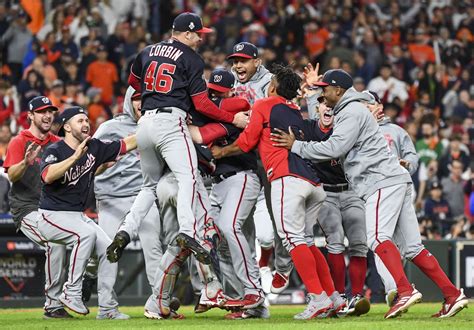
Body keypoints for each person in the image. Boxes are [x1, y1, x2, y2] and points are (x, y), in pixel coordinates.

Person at [270, 66, 468, 319]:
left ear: (338, 90)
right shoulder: (349, 108)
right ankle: (452, 294)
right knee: (412, 247)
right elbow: (323, 121)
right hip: (393, 180)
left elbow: (334, 147)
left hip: (380, 181)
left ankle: (404, 290)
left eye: (325, 90)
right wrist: (311, 95)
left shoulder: (350, 111)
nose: (322, 95)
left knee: (376, 238)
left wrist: (296, 145)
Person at [107, 13, 247, 319]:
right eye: (198, 34)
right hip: (172, 125)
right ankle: (207, 279)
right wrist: (232, 118)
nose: (201, 39)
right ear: (187, 33)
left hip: (146, 122)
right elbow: (202, 106)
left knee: (148, 186)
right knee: (192, 195)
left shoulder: (147, 51)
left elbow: (133, 85)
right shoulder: (193, 63)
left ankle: (126, 231)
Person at [212, 65, 345, 320]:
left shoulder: (265, 104)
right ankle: (334, 297)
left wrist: (222, 152)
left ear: (273, 86)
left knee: (292, 239)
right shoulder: (295, 110)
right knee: (305, 240)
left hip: (287, 178)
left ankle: (317, 299)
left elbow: (247, 142)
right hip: (314, 184)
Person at [36, 106, 136, 319]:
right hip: (51, 215)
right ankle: (71, 291)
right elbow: (47, 176)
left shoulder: (94, 147)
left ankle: (107, 308)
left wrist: (151, 130)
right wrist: (75, 158)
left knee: (110, 248)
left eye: (86, 120)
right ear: (67, 126)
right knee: (86, 234)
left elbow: (126, 144)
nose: (85, 123)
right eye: (79, 120)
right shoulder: (55, 150)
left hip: (76, 216)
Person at [228, 41, 293, 294]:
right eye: (235, 60)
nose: (237, 65)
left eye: (243, 60)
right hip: (241, 156)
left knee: (279, 215)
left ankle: (283, 266)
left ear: (257, 61)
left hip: (269, 155)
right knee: (238, 222)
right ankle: (250, 281)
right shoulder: (230, 82)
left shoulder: (272, 83)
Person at [91, 87, 162, 304]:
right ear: (129, 102)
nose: (141, 103)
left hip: (143, 195)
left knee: (154, 248)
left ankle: (160, 300)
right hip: (111, 196)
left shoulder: (159, 125)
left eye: (146, 98)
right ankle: (106, 305)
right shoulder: (110, 127)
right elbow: (90, 158)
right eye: (137, 98)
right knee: (108, 251)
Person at [304, 89, 370, 316]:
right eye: (321, 102)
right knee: (335, 240)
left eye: (328, 102)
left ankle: (358, 296)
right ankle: (339, 296)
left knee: (359, 242)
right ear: (316, 107)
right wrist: (312, 93)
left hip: (351, 191)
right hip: (326, 193)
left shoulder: (347, 126)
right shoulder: (311, 129)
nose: (326, 106)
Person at [3, 96, 69, 319]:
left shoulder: (57, 143)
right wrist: (25, 162)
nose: (48, 115)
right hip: (27, 208)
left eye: (50, 111)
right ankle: (53, 305)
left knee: (88, 237)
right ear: (30, 115)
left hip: (53, 208)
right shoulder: (19, 140)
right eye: (42, 111)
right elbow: (11, 175)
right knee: (55, 242)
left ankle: (77, 292)